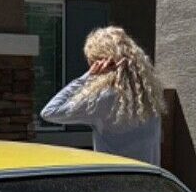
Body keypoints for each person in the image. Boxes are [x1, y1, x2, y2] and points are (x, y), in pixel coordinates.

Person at [40, 26, 165, 166]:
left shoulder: (103, 99)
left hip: (114, 184)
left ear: (101, 64)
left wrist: (87, 77)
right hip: (150, 182)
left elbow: (49, 112)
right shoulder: (149, 97)